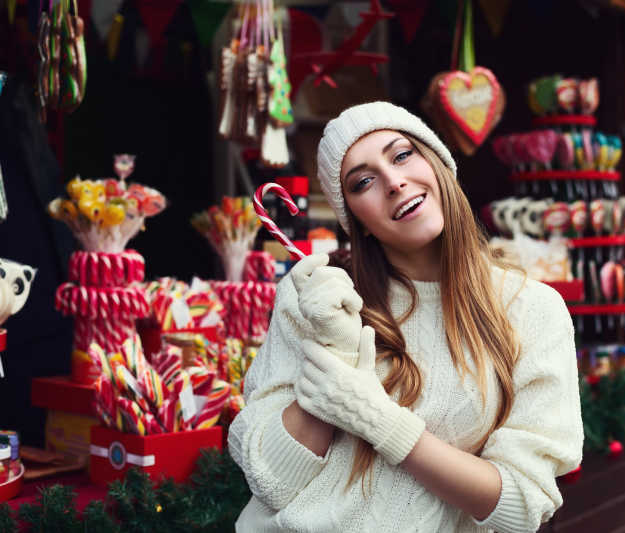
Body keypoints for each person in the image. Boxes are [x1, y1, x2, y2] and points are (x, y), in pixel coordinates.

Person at [228, 101, 583, 533]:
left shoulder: (531, 309)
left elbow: (522, 506)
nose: (394, 182)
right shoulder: (317, 294)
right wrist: (335, 353)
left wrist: (378, 419)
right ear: (356, 219)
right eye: (363, 182)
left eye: (401, 155)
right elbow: (270, 482)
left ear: (438, 164)